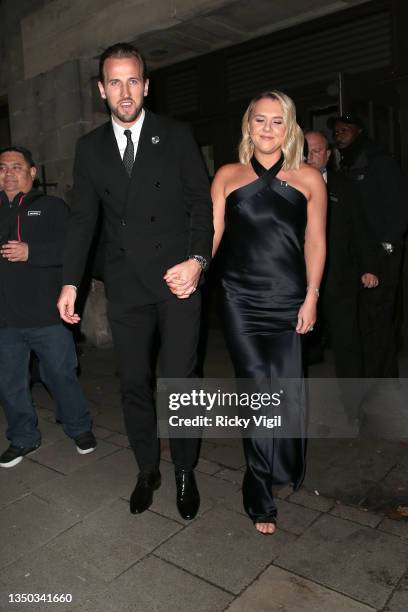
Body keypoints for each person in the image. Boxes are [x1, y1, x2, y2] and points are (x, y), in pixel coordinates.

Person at [57, 43, 213, 520]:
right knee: (133, 383)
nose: (125, 92)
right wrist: (70, 283)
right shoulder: (89, 148)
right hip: (125, 284)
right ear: (102, 90)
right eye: (115, 82)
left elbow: (201, 206)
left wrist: (197, 261)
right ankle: (148, 468)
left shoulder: (176, 134)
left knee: (181, 380)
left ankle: (185, 468)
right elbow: (83, 220)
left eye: (133, 81)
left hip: (177, 280)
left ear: (146, 85)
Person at [212, 92, 326, 534]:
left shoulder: (309, 178)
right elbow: (213, 233)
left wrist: (312, 296)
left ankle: (280, 464)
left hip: (289, 297)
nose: (267, 128)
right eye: (259, 120)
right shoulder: (227, 175)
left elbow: (316, 242)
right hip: (238, 297)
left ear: (290, 128)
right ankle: (258, 491)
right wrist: (193, 266)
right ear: (247, 125)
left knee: (286, 389)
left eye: (277, 122)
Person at [0, 146, 96, 468]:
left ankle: (79, 427)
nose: (9, 173)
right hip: (5, 319)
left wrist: (33, 252)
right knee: (10, 382)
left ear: (32, 172)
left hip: (47, 315)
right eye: (2, 168)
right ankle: (23, 437)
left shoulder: (52, 207)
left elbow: (74, 251)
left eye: (16, 166)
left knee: (60, 376)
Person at [332, 114, 408, 378]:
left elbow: (399, 207)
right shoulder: (346, 165)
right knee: (365, 320)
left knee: (380, 319)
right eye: (336, 131)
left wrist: (387, 246)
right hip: (360, 256)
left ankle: (383, 380)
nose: (339, 134)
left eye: (345, 130)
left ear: (360, 131)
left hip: (381, 253)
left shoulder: (378, 160)